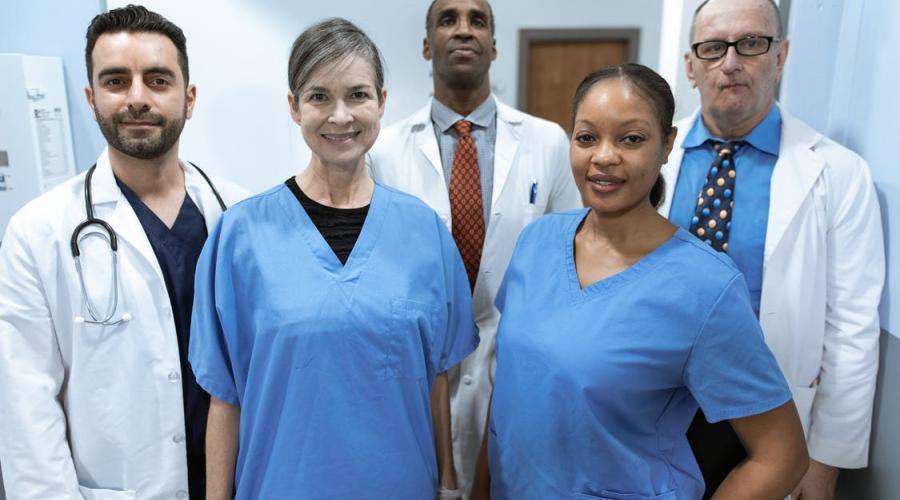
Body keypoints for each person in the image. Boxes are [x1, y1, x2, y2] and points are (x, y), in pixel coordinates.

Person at [478, 63, 808, 500]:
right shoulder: (538, 241)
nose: (604, 157)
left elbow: (781, 454)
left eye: (630, 138)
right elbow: (509, 389)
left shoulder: (703, 286)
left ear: (667, 144)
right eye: (587, 137)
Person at [189, 18, 478, 500]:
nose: (340, 116)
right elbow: (225, 398)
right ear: (294, 107)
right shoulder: (240, 235)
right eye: (319, 96)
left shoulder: (423, 232)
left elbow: (436, 379)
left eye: (358, 95)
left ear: (382, 102)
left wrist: (447, 483)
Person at [0, 5, 248, 499]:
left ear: (189, 97)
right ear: (91, 99)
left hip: (238, 481)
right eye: (116, 82)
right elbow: (24, 406)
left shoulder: (239, 213)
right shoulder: (38, 231)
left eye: (158, 80)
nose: (137, 98)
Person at [660, 0, 885, 497]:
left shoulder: (839, 174)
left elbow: (852, 331)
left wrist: (825, 460)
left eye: (752, 44)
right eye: (714, 48)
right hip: (654, 408)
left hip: (768, 422)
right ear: (691, 67)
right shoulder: (650, 158)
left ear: (780, 56)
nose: (732, 62)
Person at [367, 0, 581, 494]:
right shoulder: (383, 152)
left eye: (477, 20)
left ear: (494, 45)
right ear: (426, 45)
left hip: (516, 358)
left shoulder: (548, 142)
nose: (463, 31)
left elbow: (568, 265)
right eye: (448, 20)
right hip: (418, 364)